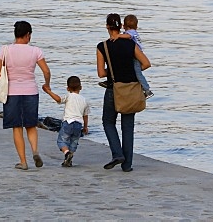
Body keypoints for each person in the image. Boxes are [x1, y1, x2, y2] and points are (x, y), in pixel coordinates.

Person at [0, 20, 53, 170]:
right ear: (28, 35)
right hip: (31, 92)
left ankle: (23, 162)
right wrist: (47, 84)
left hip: (11, 93)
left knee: (17, 127)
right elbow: (46, 71)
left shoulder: (5, 50)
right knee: (31, 125)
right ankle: (35, 151)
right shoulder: (35, 51)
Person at [96, 13, 151, 173]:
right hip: (132, 89)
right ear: (120, 26)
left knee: (108, 122)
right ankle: (127, 165)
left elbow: (100, 73)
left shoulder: (102, 46)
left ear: (107, 27)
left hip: (114, 89)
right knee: (128, 127)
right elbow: (146, 63)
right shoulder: (130, 44)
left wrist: (113, 71)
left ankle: (117, 153)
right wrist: (131, 70)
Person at [45, 76, 90, 167]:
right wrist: (85, 127)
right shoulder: (84, 100)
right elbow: (85, 115)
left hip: (68, 123)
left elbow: (58, 99)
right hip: (78, 125)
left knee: (61, 141)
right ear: (80, 88)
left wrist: (48, 91)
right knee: (73, 142)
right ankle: (69, 160)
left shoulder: (68, 96)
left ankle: (66, 153)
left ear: (67, 88)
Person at [120, 14, 153, 98]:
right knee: (136, 72)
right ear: (137, 26)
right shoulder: (134, 32)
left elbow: (128, 36)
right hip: (134, 55)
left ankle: (147, 90)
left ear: (123, 26)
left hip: (136, 56)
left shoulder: (130, 33)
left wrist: (117, 35)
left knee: (138, 73)